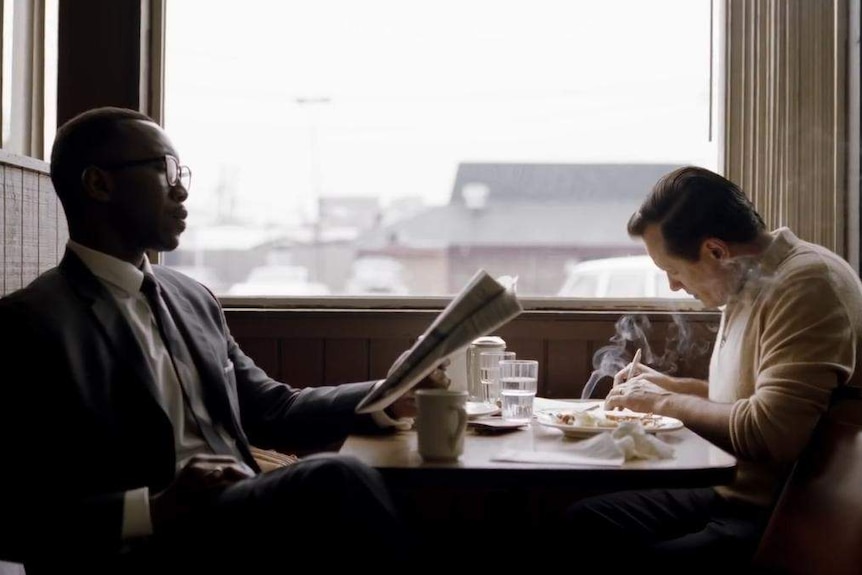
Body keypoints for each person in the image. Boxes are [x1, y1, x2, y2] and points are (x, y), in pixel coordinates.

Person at [0, 106, 449, 574]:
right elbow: (12, 516)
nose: (181, 190)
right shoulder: (27, 324)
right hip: (137, 549)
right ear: (99, 184)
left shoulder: (191, 297)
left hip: (236, 520)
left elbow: (274, 410)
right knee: (338, 479)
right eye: (164, 169)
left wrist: (391, 395)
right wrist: (157, 507)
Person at [563, 166, 862, 571]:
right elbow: (746, 401)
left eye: (673, 271)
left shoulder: (807, 284)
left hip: (787, 513)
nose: (672, 285)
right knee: (587, 522)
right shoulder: (747, 281)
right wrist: (670, 387)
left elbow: (771, 433)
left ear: (716, 251)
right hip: (732, 495)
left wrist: (663, 402)